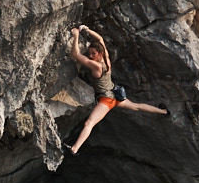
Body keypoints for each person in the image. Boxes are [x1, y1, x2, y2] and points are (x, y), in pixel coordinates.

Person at [62, 25, 168, 156]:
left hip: (107, 99)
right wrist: (88, 30)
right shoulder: (106, 58)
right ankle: (164, 111)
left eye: (93, 54)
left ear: (100, 54)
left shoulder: (96, 66)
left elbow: (76, 54)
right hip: (114, 93)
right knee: (136, 107)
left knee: (89, 123)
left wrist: (76, 35)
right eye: (89, 53)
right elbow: (100, 39)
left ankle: (74, 149)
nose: (90, 56)